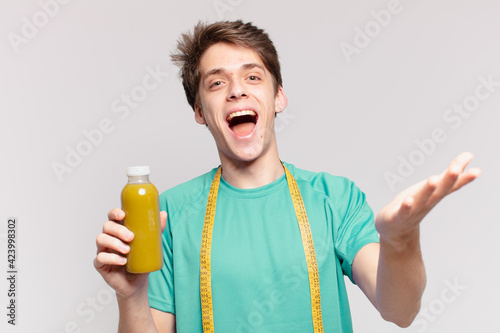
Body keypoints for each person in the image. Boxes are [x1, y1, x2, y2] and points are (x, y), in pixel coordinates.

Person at [94, 20, 481, 332]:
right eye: (216, 82)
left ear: (278, 97)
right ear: (199, 111)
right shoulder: (167, 215)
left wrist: (401, 241)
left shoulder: (335, 198)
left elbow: (401, 311)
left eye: (252, 77)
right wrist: (130, 297)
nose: (235, 92)